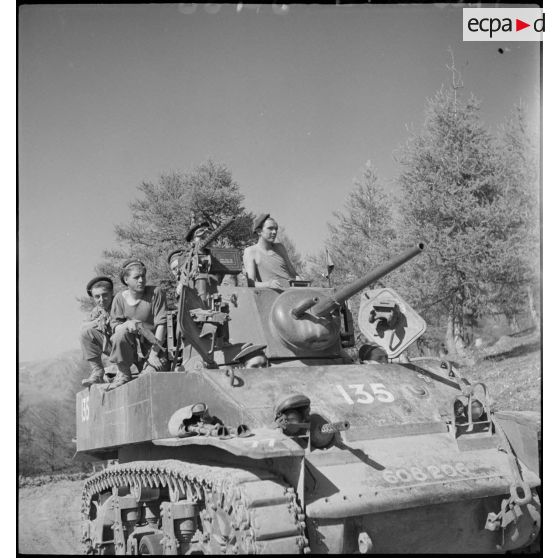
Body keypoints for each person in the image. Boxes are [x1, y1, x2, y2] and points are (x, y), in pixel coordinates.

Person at [108, 259, 167, 390]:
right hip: (133, 353)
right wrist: (127, 324)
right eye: (136, 277)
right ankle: (123, 373)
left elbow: (161, 325)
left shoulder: (156, 293)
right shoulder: (119, 299)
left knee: (145, 381)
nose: (141, 280)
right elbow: (115, 326)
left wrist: (154, 354)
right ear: (126, 279)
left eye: (143, 276)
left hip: (154, 349)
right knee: (120, 333)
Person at [243, 214, 300, 289]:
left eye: (276, 229)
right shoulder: (251, 251)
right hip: (271, 295)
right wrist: (268, 284)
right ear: (259, 231)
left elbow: (293, 273)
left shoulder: (280, 247)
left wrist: (299, 279)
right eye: (270, 228)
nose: (274, 232)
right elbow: (251, 283)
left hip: (290, 292)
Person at [80, 276, 115, 387]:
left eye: (105, 295)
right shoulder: (97, 311)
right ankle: (98, 372)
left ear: (111, 293)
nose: (101, 299)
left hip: (130, 346)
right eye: (97, 297)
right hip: (114, 349)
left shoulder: (120, 302)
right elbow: (83, 327)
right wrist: (98, 321)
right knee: (86, 333)